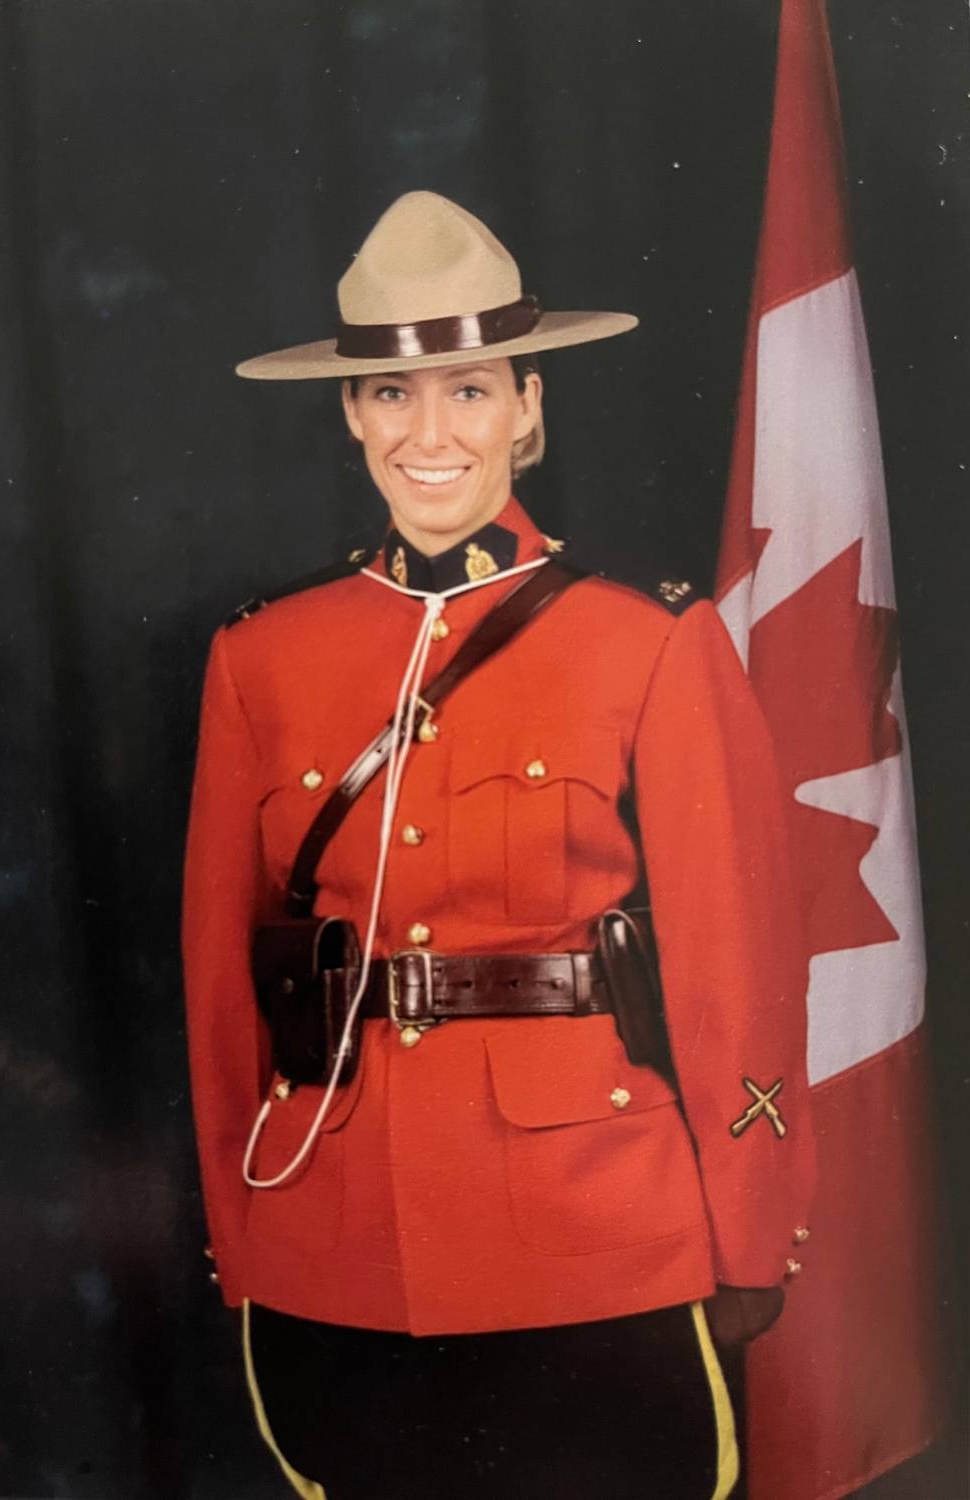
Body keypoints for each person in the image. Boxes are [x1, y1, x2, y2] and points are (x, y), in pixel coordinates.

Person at [181, 190, 816, 1500]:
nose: (431, 435)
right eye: (393, 397)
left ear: (530, 405)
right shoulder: (262, 659)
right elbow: (217, 991)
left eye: (469, 392)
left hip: (599, 1238)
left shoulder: (650, 640)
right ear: (351, 413)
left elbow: (733, 970)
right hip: (336, 1232)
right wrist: (243, 1237)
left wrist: (749, 1233)